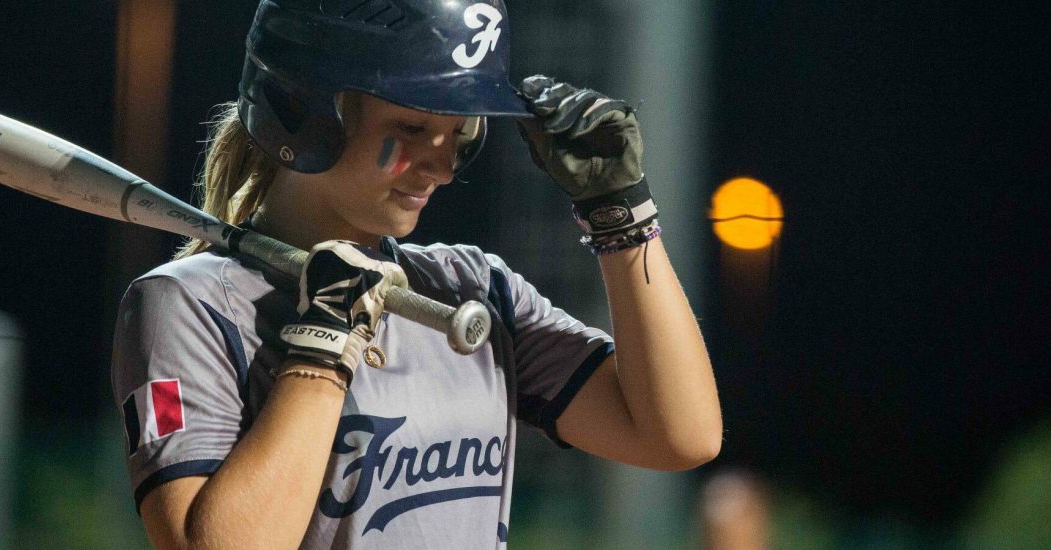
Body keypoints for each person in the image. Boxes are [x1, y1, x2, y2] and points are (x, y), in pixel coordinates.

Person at [111, 1, 722, 547]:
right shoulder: (189, 305)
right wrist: (323, 348)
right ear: (304, 113)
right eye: (409, 129)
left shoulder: (471, 288)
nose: (442, 166)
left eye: (458, 134)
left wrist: (620, 217)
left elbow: (678, 436)